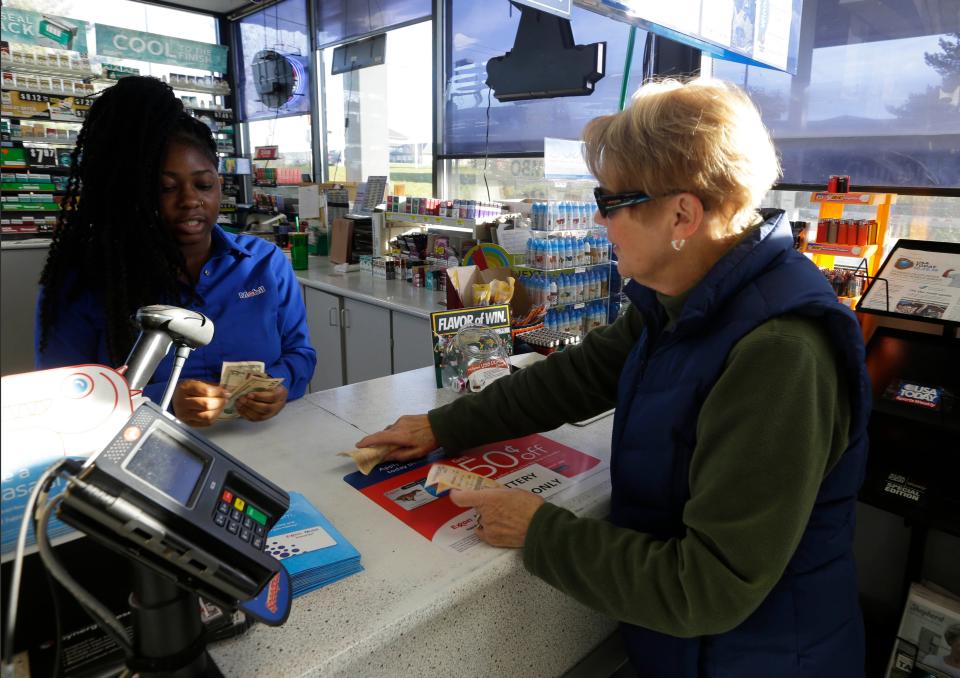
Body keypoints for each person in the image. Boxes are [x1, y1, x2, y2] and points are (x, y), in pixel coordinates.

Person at [357, 78, 871, 677]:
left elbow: (709, 588)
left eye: (610, 203)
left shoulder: (780, 354)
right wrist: (443, 424)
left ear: (683, 213)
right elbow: (575, 377)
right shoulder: (683, 298)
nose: (601, 223)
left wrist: (540, 531)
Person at [36, 76, 316, 426]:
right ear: (134, 194)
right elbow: (63, 400)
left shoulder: (264, 264)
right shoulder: (85, 283)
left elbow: (300, 354)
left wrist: (281, 386)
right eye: (166, 188)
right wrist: (163, 401)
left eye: (204, 184)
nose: (190, 201)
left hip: (263, 445)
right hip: (139, 457)